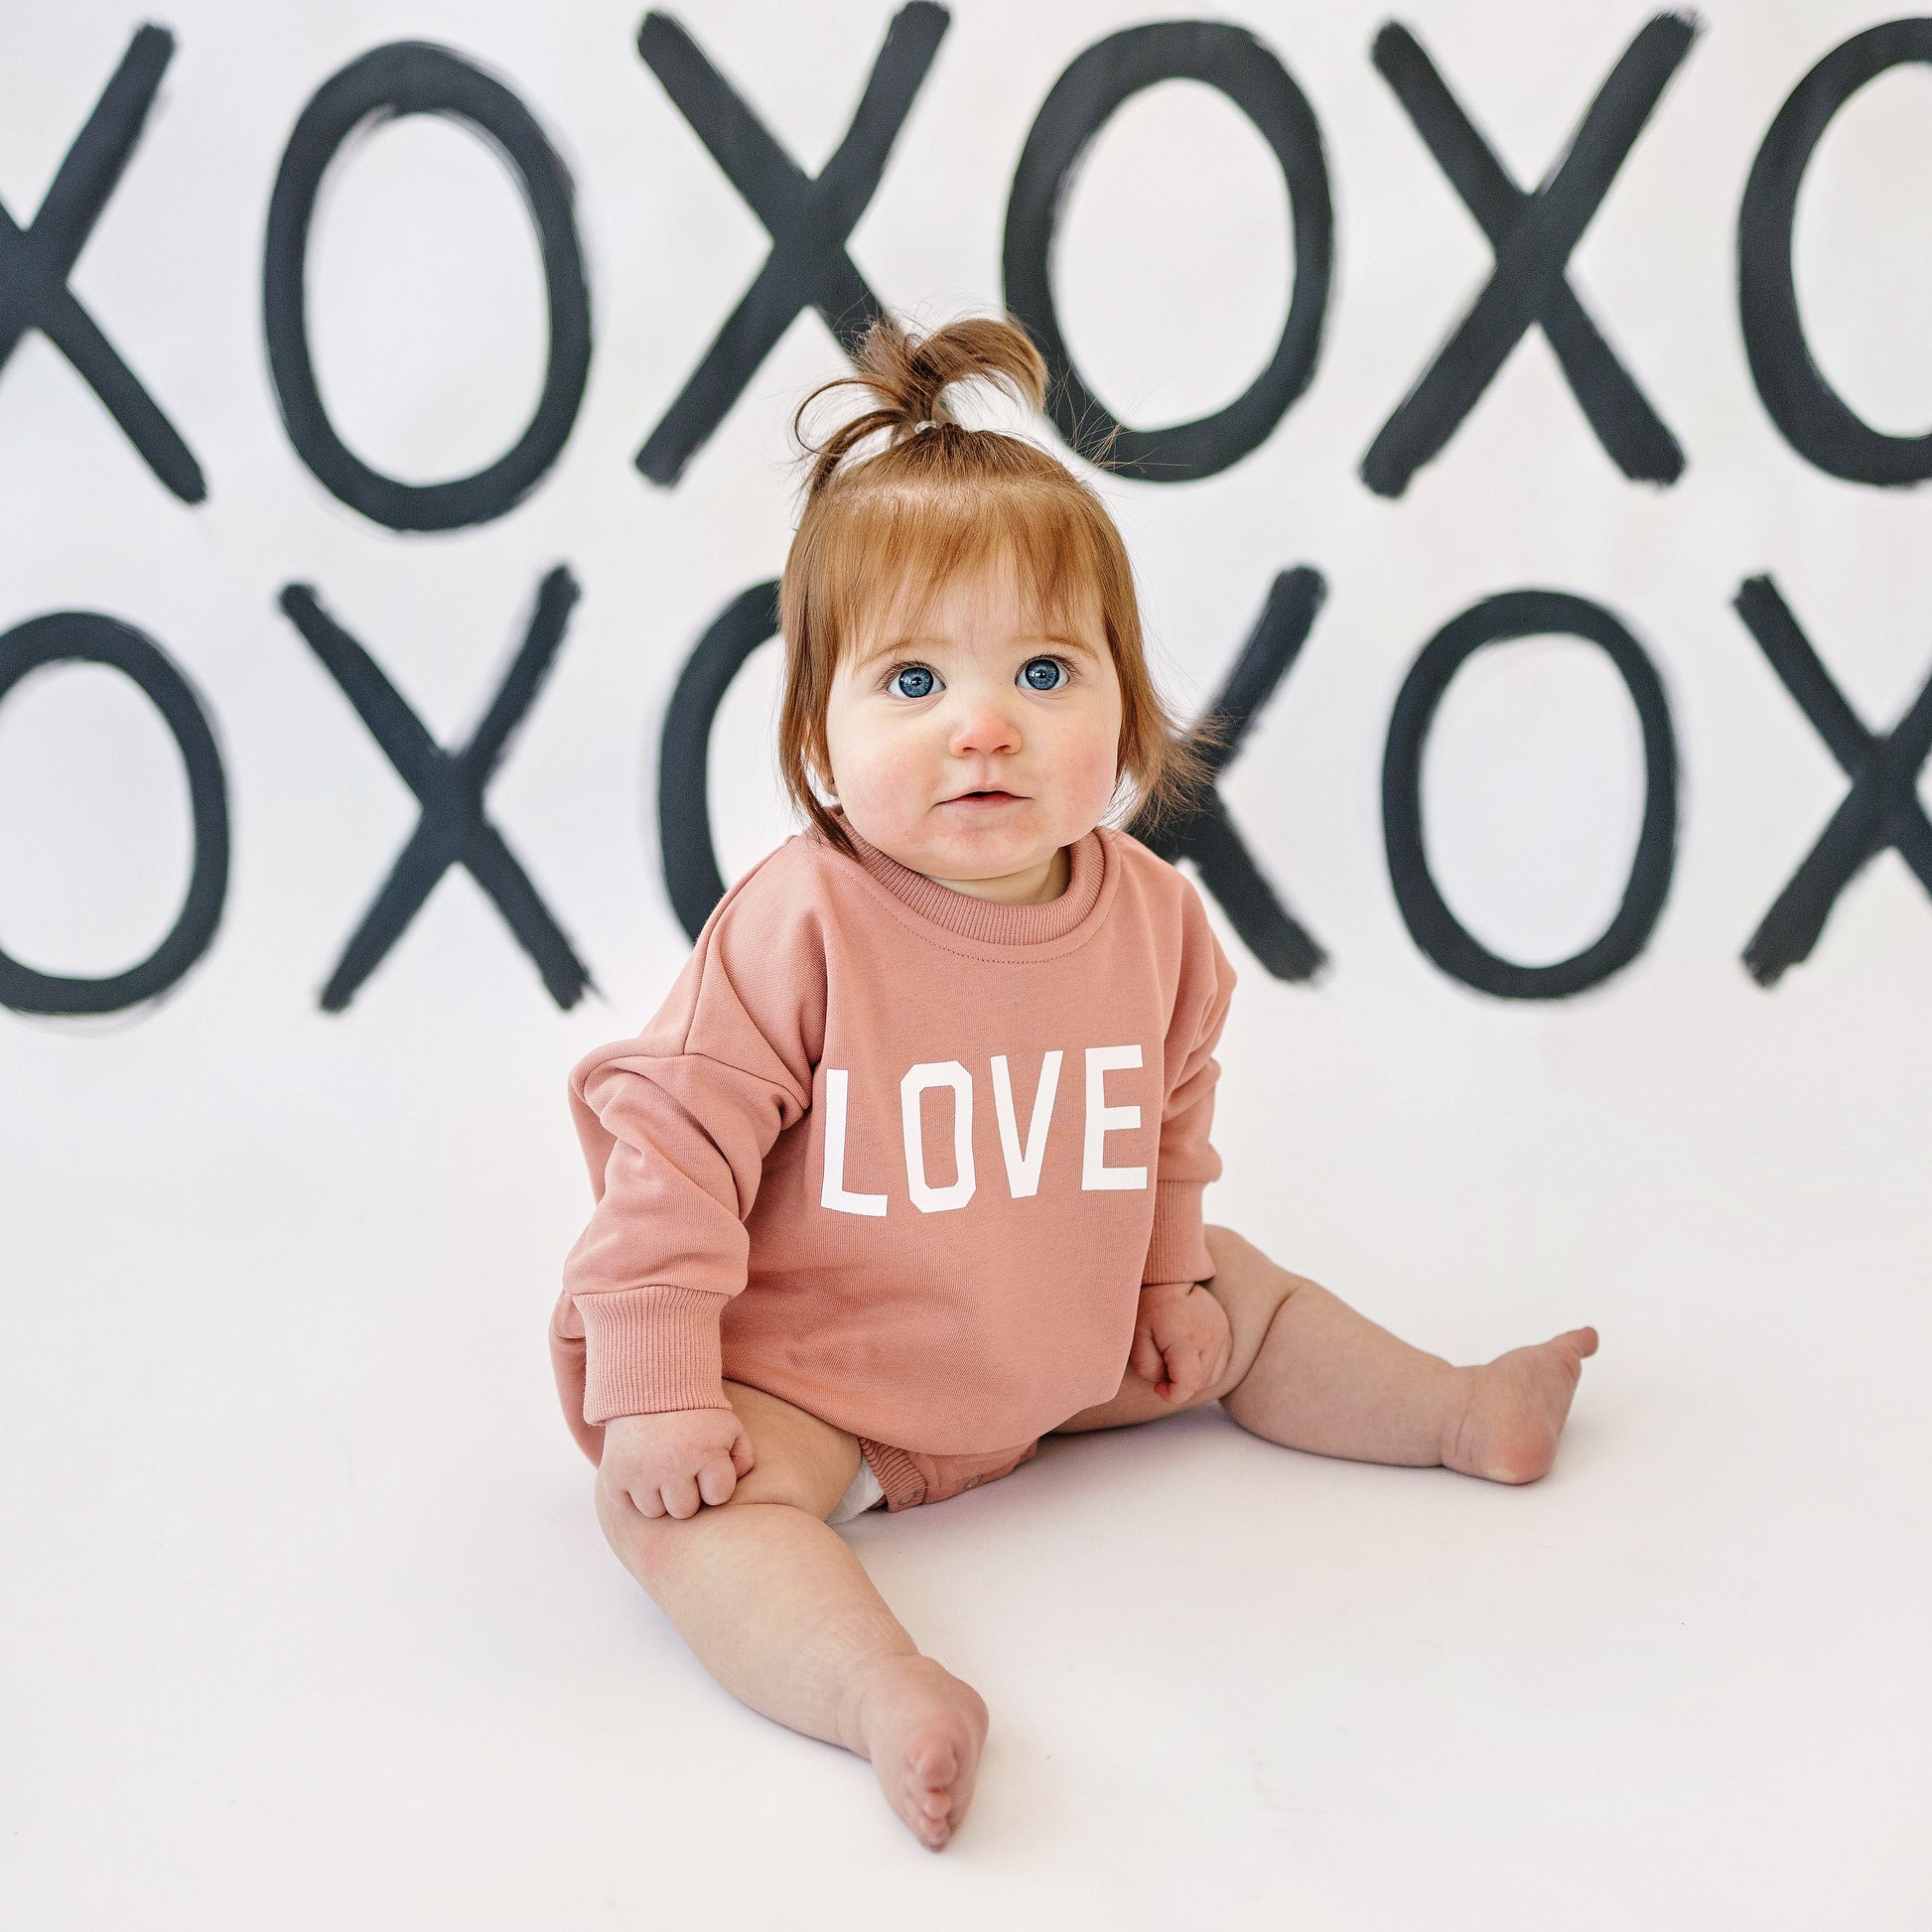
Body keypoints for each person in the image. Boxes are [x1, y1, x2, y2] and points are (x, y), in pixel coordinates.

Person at [547, 314, 1598, 1852]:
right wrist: (653, 1390)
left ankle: (1456, 1411)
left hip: (1060, 1347)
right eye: (913, 679)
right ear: (816, 731)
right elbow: (670, 1157)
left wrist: (1163, 1280)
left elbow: (1170, 1130)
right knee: (682, 1514)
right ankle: (875, 1685)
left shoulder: (1156, 918)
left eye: (1042, 670)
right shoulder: (800, 924)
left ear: (1125, 707)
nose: (983, 726)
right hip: (827, 1380)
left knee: (1244, 1294)